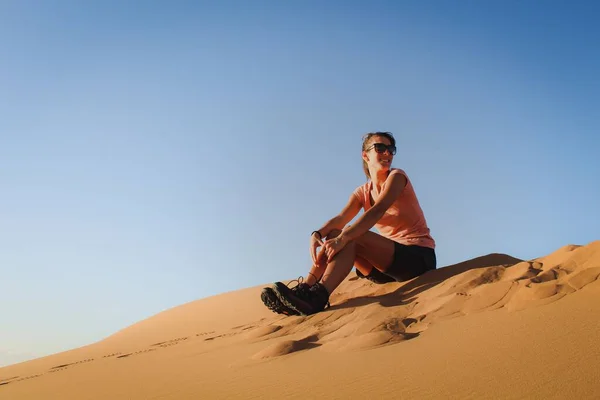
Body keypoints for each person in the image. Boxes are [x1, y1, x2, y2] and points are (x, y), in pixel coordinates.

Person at [261, 131, 436, 316]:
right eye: (380, 148)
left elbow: (378, 210)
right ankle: (303, 291)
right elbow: (340, 218)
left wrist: (344, 236)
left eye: (391, 149)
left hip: (417, 259)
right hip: (384, 269)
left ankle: (318, 297)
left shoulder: (397, 177)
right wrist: (317, 234)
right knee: (336, 233)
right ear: (365, 155)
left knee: (349, 234)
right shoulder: (363, 191)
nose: (387, 153)